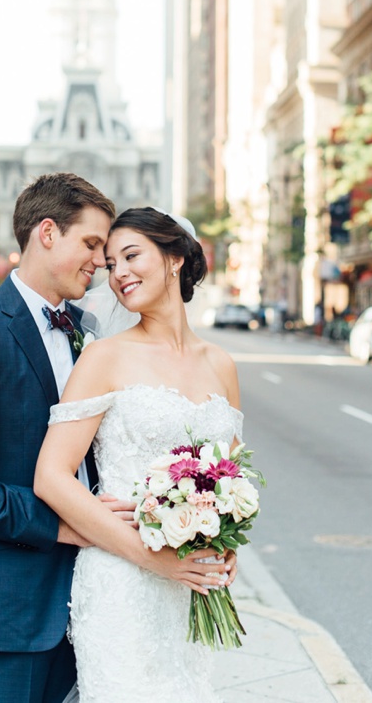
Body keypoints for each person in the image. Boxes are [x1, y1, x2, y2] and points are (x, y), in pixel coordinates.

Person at [0, 174, 229, 703]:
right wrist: (68, 526)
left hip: (98, 592)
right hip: (12, 604)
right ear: (47, 233)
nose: (102, 266)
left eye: (110, 256)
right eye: (93, 246)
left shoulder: (87, 328)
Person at [34, 207, 241, 701]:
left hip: (192, 585)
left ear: (174, 258)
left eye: (131, 255)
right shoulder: (104, 356)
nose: (119, 272)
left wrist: (228, 544)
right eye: (110, 264)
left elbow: (232, 478)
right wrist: (154, 560)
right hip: (122, 584)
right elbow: (51, 477)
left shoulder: (222, 364)